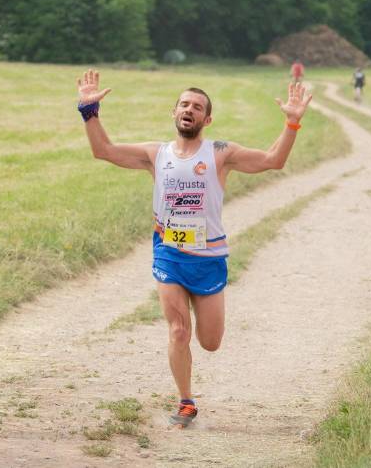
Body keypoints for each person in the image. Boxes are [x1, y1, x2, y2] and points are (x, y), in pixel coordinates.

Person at [75, 70, 312, 428]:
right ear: (174, 112)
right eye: (184, 104)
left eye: (197, 106)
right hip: (169, 254)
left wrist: (291, 125)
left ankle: (195, 372)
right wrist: (89, 112)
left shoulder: (220, 153)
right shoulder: (156, 154)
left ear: (207, 119)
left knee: (211, 342)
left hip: (209, 260)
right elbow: (103, 151)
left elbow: (272, 161)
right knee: (178, 331)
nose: (189, 109)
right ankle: (186, 401)